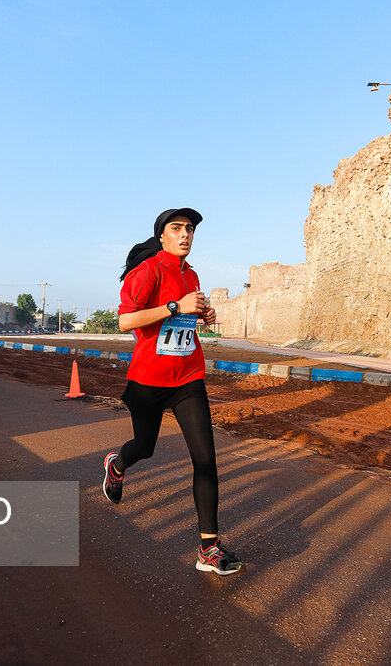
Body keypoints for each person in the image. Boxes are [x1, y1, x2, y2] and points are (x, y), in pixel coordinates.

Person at [103, 207, 243, 576]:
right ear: (162, 235)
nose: (185, 235)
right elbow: (125, 321)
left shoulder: (191, 274)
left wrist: (201, 317)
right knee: (144, 447)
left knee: (206, 459)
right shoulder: (147, 270)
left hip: (188, 377)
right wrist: (173, 306)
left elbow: (183, 319)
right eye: (177, 228)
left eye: (190, 230)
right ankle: (116, 466)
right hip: (148, 381)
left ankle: (208, 548)